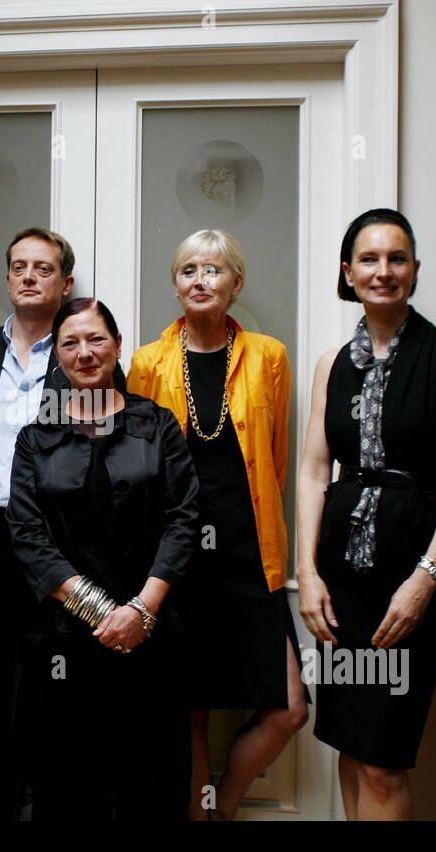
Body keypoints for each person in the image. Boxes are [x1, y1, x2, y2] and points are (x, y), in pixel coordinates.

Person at [296, 208, 436, 820]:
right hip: (339, 576)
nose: (384, 271)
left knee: (382, 757)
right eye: (370, 259)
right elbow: (310, 472)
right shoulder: (332, 364)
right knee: (350, 749)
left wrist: (425, 579)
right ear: (347, 272)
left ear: (415, 270)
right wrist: (310, 575)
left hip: (412, 571)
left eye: (397, 258)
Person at [0, 227, 122, 819]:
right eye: (18, 266)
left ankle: (40, 806)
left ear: (66, 283)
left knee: (52, 686)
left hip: (53, 548)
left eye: (43, 269)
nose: (28, 276)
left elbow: (105, 453)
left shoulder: (81, 356)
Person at [128, 229, 308, 821]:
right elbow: (137, 460)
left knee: (289, 708)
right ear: (176, 283)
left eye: (213, 270)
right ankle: (198, 816)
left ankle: (226, 802)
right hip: (175, 556)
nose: (200, 280)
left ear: (237, 283)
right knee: (190, 708)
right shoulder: (148, 362)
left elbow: (276, 461)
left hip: (249, 552)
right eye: (187, 270)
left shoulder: (269, 356)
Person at [7, 297, 198, 821]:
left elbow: (184, 520)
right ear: (58, 357)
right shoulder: (34, 437)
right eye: (70, 342)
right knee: (68, 785)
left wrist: (140, 611)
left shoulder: (158, 425)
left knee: (150, 782)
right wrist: (101, 614)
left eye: (96, 340)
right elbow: (28, 537)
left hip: (151, 631)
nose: (84, 352)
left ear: (117, 347)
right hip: (65, 638)